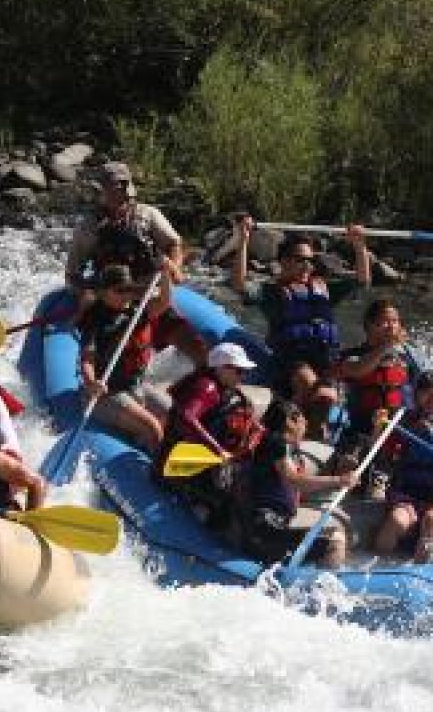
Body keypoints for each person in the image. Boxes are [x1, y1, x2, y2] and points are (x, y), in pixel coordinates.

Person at [232, 218, 370, 432]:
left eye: (310, 260)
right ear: (284, 261)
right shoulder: (272, 293)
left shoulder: (323, 288)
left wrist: (359, 245)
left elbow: (362, 280)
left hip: (326, 357)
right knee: (311, 384)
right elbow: (239, 284)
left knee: (327, 396)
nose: (308, 265)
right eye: (300, 260)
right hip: (292, 360)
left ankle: (311, 432)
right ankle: (296, 425)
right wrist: (243, 240)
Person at [156, 342, 264, 528]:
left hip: (197, 464)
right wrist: (218, 450)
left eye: (244, 371)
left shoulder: (224, 390)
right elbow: (187, 417)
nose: (242, 376)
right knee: (227, 502)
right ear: (221, 368)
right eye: (239, 370)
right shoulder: (207, 388)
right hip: (178, 465)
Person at [245, 398, 358, 568]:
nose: (306, 423)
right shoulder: (275, 442)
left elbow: (303, 484)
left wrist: (341, 475)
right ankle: (326, 589)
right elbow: (294, 480)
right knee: (334, 540)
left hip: (276, 524)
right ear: (290, 421)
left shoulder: (289, 449)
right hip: (265, 528)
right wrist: (339, 480)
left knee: (330, 535)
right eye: (303, 419)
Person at [78, 260, 174, 453]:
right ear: (104, 292)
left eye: (128, 289)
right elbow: (88, 359)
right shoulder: (95, 319)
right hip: (107, 394)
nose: (126, 295)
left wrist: (165, 275)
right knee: (154, 429)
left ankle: (144, 444)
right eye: (119, 291)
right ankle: (157, 475)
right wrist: (91, 382)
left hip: (135, 386)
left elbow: (164, 302)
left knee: (174, 415)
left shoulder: (137, 310)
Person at [65, 161, 183, 316]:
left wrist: (173, 268)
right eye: (108, 187)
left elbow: (174, 244)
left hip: (148, 289)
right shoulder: (88, 227)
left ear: (126, 188)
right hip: (110, 295)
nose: (114, 192)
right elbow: (72, 275)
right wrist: (97, 293)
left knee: (175, 321)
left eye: (118, 187)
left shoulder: (148, 214)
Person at [337, 298, 423, 495]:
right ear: (369, 325)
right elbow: (357, 370)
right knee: (348, 465)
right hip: (362, 430)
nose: (392, 326)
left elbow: (423, 392)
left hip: (399, 430)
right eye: (385, 321)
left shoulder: (408, 358)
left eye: (395, 321)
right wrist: (386, 347)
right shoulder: (352, 355)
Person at [374, 372, 433, 562]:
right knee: (395, 522)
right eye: (427, 393)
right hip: (407, 493)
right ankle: (376, 574)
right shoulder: (403, 420)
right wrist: (378, 428)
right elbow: (381, 453)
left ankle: (419, 575)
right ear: (417, 395)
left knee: (431, 522)